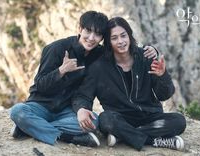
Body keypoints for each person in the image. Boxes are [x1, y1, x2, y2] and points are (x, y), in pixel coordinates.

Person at [10, 11, 157, 147]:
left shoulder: (99, 54)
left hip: (67, 110)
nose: (91, 38)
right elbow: (40, 85)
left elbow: (122, 49)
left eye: (97, 34)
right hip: (41, 106)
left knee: (94, 120)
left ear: (102, 38)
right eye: (88, 31)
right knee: (17, 111)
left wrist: (150, 50)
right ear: (79, 28)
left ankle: (30, 128)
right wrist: (61, 71)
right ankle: (66, 136)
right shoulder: (56, 49)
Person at [72, 17, 186, 151]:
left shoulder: (146, 57)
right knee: (105, 119)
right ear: (108, 42)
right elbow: (83, 95)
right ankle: (154, 140)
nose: (120, 41)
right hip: (120, 118)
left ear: (129, 36)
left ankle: (123, 136)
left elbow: (164, 95)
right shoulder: (99, 67)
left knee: (179, 121)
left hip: (150, 116)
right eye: (114, 38)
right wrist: (81, 109)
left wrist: (162, 76)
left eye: (123, 36)